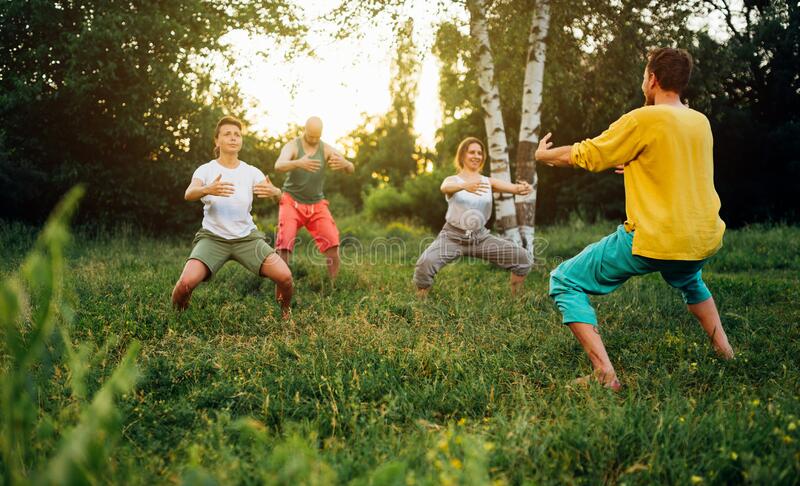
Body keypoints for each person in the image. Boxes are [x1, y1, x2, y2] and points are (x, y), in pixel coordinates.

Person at [535, 48, 734, 390]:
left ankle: (604, 374)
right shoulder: (699, 121)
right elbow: (681, 168)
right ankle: (726, 353)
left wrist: (544, 155)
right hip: (701, 237)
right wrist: (637, 164)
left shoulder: (643, 119)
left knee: (564, 280)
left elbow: (588, 154)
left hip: (654, 238)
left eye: (645, 75)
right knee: (690, 281)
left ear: (653, 79)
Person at [171, 116, 293, 318]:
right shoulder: (206, 169)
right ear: (217, 141)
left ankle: (285, 314)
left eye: (237, 134)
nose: (233, 138)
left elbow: (277, 197)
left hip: (247, 238)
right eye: (227, 134)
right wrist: (207, 188)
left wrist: (276, 192)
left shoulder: (251, 171)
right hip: (213, 237)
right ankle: (177, 316)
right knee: (185, 284)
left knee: (285, 277)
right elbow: (188, 193)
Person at [413, 137, 533, 297]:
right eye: (472, 152)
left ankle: (516, 298)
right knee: (425, 264)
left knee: (522, 257)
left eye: (479, 153)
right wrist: (464, 185)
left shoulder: (487, 182)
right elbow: (444, 188)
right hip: (452, 237)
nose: (476, 156)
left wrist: (523, 187)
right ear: (463, 155)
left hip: (480, 238)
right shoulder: (453, 180)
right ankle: (420, 304)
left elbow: (514, 188)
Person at [274, 116, 354, 279]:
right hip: (291, 202)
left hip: (317, 204)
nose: (314, 139)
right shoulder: (293, 146)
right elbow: (278, 165)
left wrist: (345, 164)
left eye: (317, 136)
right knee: (285, 245)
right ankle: (281, 282)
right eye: (311, 136)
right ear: (304, 129)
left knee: (333, 244)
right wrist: (298, 163)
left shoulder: (325, 148)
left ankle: (334, 285)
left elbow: (351, 168)